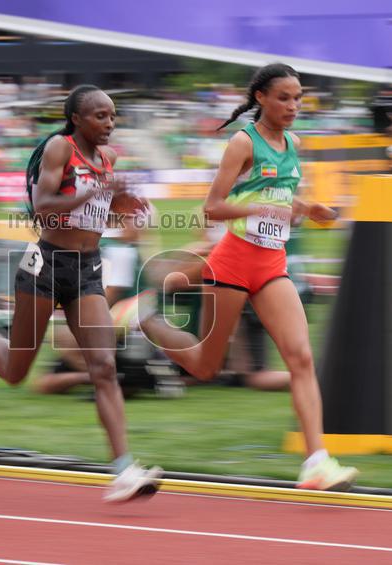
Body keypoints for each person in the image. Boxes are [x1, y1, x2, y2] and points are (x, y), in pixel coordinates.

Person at [0, 85, 162, 503]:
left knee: (105, 367)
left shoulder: (109, 158)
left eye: (113, 116)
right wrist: (96, 191)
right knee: (16, 371)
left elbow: (96, 216)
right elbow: (42, 208)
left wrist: (122, 206)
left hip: (88, 269)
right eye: (100, 116)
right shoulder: (60, 147)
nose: (109, 123)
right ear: (76, 118)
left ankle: (123, 468)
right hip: (46, 265)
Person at [138, 63, 358, 491]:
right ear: (261, 98)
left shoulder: (293, 142)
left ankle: (316, 462)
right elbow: (212, 207)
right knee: (205, 367)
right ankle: (144, 317)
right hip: (234, 260)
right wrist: (258, 209)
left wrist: (309, 208)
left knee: (301, 357)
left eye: (298, 98)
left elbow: (283, 194)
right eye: (284, 98)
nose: (294, 106)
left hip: (272, 264)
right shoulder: (243, 142)